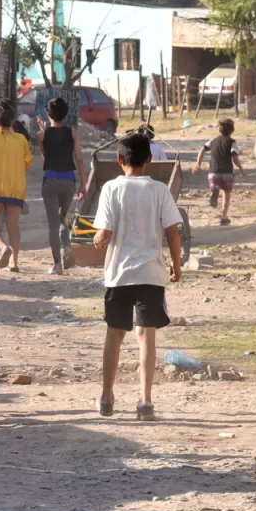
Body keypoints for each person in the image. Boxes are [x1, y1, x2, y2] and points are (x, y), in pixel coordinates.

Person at [92, 132, 184, 422]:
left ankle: (107, 396)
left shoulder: (111, 189)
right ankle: (145, 401)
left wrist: (96, 238)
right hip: (151, 273)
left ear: (120, 160)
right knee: (147, 337)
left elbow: (104, 233)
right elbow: (172, 232)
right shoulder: (159, 191)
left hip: (119, 275)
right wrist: (177, 265)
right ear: (150, 158)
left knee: (115, 335)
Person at [0, 103, 32, 272]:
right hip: (15, 188)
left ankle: (3, 247)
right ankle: (14, 263)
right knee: (13, 227)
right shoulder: (21, 140)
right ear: (12, 121)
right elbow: (28, 162)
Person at [37, 97, 87, 276]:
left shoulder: (41, 135)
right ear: (66, 114)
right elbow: (79, 160)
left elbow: (46, 157)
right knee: (63, 217)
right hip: (69, 181)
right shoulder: (73, 133)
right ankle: (67, 248)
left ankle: (57, 265)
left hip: (50, 182)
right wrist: (84, 184)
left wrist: (44, 132)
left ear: (48, 114)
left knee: (53, 223)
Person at [192, 118, 247, 226]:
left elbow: (202, 149)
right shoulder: (232, 142)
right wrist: (242, 170)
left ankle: (214, 189)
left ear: (220, 130)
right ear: (232, 130)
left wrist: (198, 163)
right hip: (227, 172)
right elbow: (235, 159)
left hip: (213, 172)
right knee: (226, 194)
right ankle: (224, 217)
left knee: (214, 184)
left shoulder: (213, 140)